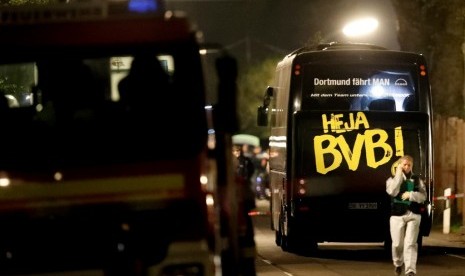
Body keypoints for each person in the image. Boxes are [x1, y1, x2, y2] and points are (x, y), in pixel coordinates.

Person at [386, 155, 427, 276]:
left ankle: (410, 270)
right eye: (404, 164)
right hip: (397, 215)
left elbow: (423, 196)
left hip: (414, 214)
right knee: (397, 244)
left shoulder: (417, 179)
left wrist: (412, 194)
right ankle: (398, 263)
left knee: (410, 243)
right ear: (399, 165)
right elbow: (392, 191)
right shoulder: (391, 179)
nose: (407, 167)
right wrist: (398, 174)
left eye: (409, 165)